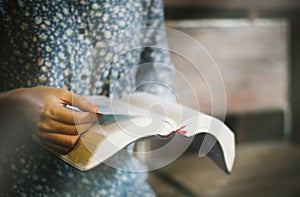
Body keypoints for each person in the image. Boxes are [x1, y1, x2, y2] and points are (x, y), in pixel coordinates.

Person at [0, 0, 174, 196]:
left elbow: (155, 66)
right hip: (24, 185)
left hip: (123, 183)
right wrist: (17, 102)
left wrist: (157, 115)